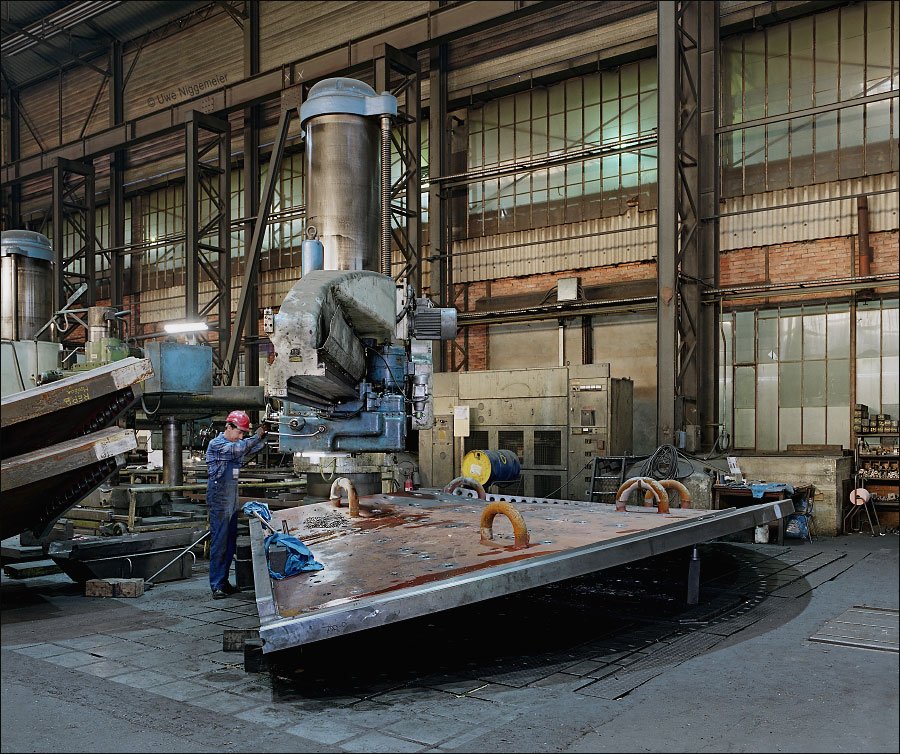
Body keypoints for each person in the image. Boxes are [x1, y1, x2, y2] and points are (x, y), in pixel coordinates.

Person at [205, 409, 267, 599]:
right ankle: (216, 585)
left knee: (230, 540)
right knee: (219, 541)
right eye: (239, 432)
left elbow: (251, 447)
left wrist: (266, 433)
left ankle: (224, 582)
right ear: (229, 427)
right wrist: (257, 434)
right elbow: (241, 449)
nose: (241, 437)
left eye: (243, 434)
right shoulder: (217, 445)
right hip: (219, 496)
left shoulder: (236, 443)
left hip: (231, 496)